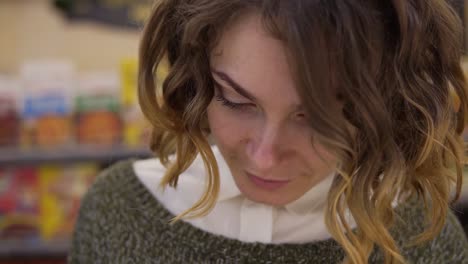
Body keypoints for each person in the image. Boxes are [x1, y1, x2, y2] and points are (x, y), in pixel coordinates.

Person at [68, 0, 468, 263]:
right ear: (198, 81)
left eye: (318, 116)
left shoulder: (422, 242)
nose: (265, 156)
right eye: (236, 101)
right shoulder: (117, 212)